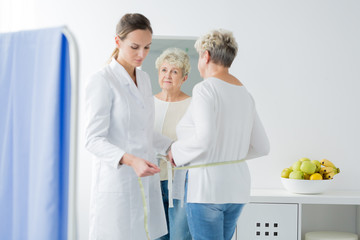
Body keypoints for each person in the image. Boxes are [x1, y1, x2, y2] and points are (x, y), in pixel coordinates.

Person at [170, 29, 270, 240]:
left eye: (199, 56)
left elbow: (205, 140)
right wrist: (229, 153)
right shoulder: (245, 95)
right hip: (237, 189)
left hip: (207, 191)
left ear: (206, 55)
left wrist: (175, 152)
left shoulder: (205, 89)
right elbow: (262, 146)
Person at [85, 13, 172, 240]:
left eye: (147, 47)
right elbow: (93, 139)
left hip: (144, 183)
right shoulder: (102, 80)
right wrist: (131, 160)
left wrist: (170, 147)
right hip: (118, 185)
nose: (141, 54)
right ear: (118, 42)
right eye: (135, 47)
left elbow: (144, 130)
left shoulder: (144, 80)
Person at [153, 48, 192, 240]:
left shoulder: (193, 105)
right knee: (156, 234)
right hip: (152, 179)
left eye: (174, 71)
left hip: (181, 180)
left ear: (184, 78)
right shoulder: (147, 103)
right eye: (164, 70)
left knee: (180, 235)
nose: (168, 75)